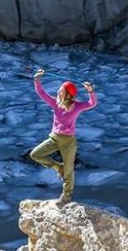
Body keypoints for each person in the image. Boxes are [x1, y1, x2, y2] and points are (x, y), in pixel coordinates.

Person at [29, 68, 97, 206]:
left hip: (68, 141)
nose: (58, 92)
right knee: (35, 154)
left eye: (61, 90)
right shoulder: (55, 103)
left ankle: (66, 196)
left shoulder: (77, 106)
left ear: (67, 94)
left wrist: (90, 91)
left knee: (69, 169)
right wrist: (37, 79)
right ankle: (57, 166)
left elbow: (92, 104)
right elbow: (41, 93)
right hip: (54, 138)